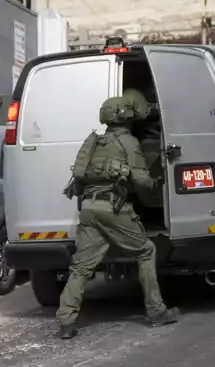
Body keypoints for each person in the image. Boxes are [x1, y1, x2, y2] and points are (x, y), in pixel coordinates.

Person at [56, 93, 179, 340]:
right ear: (127, 116)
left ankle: (65, 322)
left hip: (89, 207)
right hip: (112, 208)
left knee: (81, 267)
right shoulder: (128, 142)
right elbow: (142, 180)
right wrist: (163, 178)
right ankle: (156, 311)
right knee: (146, 250)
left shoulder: (95, 142)